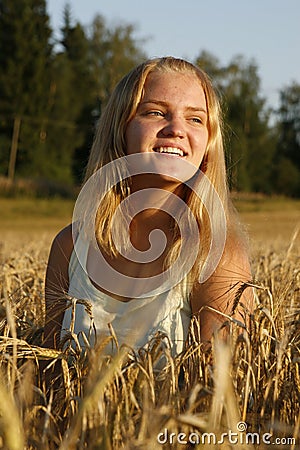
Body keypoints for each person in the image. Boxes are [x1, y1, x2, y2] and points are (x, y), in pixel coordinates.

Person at [43, 57, 253, 358]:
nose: (176, 129)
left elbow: (221, 394)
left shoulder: (218, 254)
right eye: (155, 112)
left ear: (208, 142)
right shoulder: (70, 246)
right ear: (120, 129)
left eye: (195, 118)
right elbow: (49, 375)